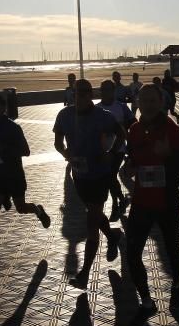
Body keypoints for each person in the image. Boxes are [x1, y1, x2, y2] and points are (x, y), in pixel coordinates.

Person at [125, 84, 179, 326]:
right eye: (144, 100)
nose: (148, 104)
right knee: (132, 253)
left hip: (167, 201)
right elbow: (133, 158)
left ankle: (176, 284)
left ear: (161, 102)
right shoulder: (133, 129)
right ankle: (146, 302)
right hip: (142, 201)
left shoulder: (171, 129)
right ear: (138, 102)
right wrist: (129, 167)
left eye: (153, 100)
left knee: (172, 248)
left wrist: (169, 156)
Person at [53, 78, 126, 288]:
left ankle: (84, 273)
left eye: (86, 92)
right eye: (78, 92)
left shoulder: (104, 116)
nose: (82, 95)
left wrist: (111, 154)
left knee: (91, 221)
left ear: (91, 93)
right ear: (73, 93)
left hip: (100, 175)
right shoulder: (65, 115)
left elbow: (121, 135)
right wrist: (67, 155)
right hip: (80, 175)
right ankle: (113, 235)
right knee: (93, 212)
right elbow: (57, 143)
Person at [0, 93, 51, 260]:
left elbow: (26, 151)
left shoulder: (13, 128)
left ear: (3, 108)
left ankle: (37, 210)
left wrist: (3, 148)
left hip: (13, 175)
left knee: (21, 208)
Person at [98, 80, 135, 221]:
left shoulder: (121, 107)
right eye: (103, 89)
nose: (106, 92)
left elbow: (133, 124)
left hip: (118, 149)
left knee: (111, 176)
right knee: (109, 177)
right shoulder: (97, 109)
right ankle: (121, 199)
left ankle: (115, 205)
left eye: (109, 89)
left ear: (113, 91)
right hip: (102, 151)